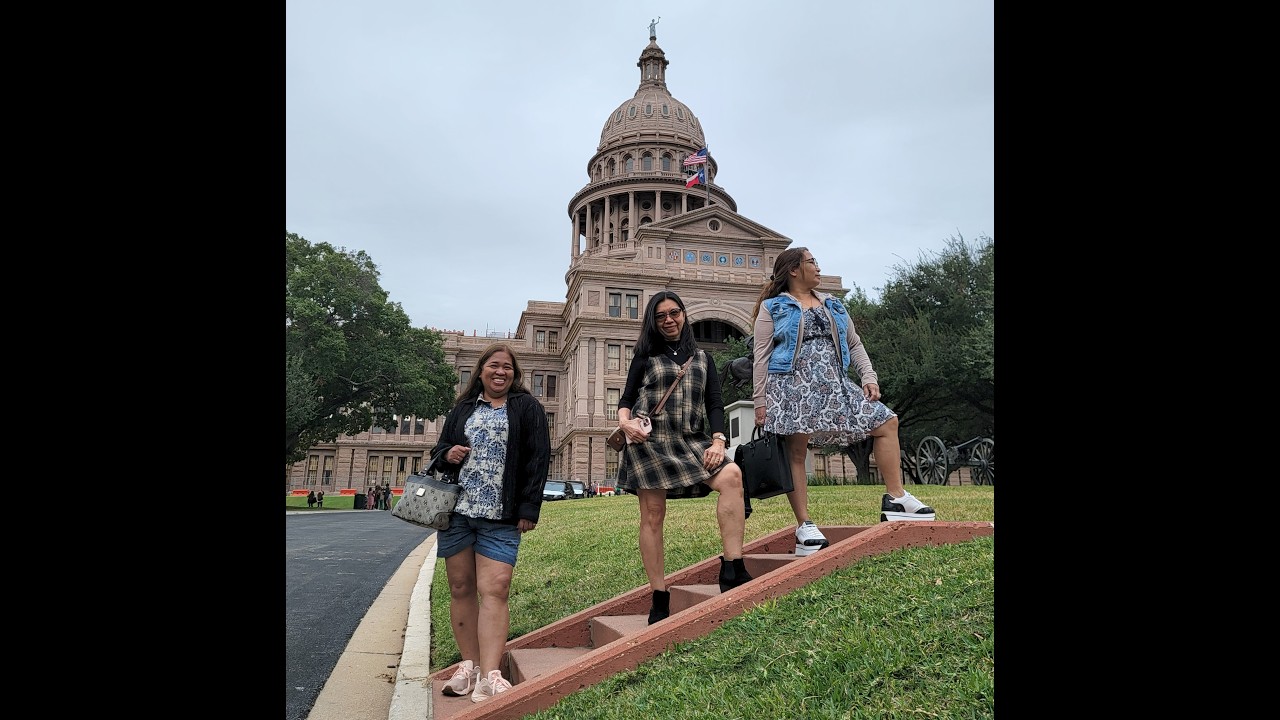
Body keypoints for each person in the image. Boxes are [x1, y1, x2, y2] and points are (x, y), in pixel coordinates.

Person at [751, 247, 936, 556]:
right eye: (812, 262)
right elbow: (762, 356)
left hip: (836, 383)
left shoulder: (834, 305)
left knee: (887, 421)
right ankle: (804, 525)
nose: (818, 268)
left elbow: (854, 342)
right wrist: (760, 401)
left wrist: (869, 377)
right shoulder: (774, 307)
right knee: (797, 452)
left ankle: (896, 497)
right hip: (792, 386)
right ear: (794, 270)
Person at [615, 291, 753, 625]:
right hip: (650, 441)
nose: (668, 320)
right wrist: (625, 422)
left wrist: (718, 440)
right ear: (654, 322)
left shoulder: (703, 358)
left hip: (691, 440)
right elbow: (627, 398)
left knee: (732, 477)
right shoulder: (645, 357)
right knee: (652, 516)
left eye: (673, 313)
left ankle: (733, 568)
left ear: (683, 314)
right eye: (660, 316)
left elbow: (714, 405)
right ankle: (659, 596)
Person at [433, 343, 550, 704]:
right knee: (460, 588)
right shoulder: (464, 407)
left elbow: (538, 458)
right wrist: (448, 454)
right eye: (494, 366)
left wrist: (528, 509)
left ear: (515, 375)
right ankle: (468, 667)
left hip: (501, 514)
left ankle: (491, 673)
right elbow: (440, 451)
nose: (500, 372)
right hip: (457, 512)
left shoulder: (527, 408)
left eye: (508, 368)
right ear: (480, 370)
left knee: (495, 588)